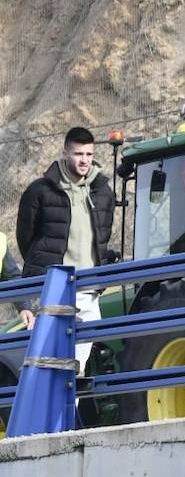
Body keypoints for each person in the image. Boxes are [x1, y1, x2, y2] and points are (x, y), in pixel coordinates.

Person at [16, 126, 116, 371]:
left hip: (89, 289)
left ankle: (69, 410)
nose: (84, 160)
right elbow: (25, 237)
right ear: (64, 154)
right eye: (78, 154)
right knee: (51, 363)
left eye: (89, 155)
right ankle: (48, 409)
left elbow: (104, 234)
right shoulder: (39, 191)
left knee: (76, 368)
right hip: (55, 287)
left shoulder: (103, 192)